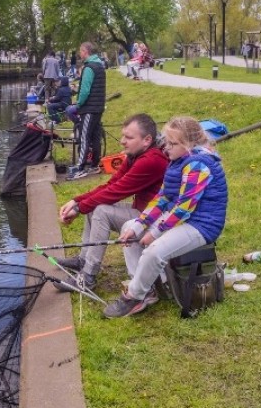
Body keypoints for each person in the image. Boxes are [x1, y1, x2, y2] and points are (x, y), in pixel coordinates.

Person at [103, 116, 228, 318]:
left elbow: (183, 208)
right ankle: (146, 288)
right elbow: (162, 198)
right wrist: (139, 225)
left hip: (202, 225)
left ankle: (135, 296)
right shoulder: (177, 161)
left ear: (188, 145)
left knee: (154, 251)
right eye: (166, 142)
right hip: (183, 217)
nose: (166, 148)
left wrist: (154, 233)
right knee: (129, 226)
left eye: (173, 144)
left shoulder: (198, 165)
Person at [55, 114, 169, 290]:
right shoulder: (136, 155)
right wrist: (76, 201)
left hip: (156, 221)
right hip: (144, 214)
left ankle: (88, 277)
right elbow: (111, 185)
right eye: (123, 136)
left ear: (147, 140)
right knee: (94, 207)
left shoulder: (152, 160)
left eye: (129, 137)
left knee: (101, 211)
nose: (122, 141)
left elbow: (116, 192)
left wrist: (78, 209)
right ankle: (83, 260)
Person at [67, 41, 107, 180]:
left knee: (84, 137)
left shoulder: (89, 67)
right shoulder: (100, 65)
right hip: (98, 107)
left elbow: (85, 90)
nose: (80, 53)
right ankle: (95, 165)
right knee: (96, 137)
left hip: (89, 108)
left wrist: (78, 104)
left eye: (81, 50)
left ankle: (80, 168)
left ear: (85, 51)